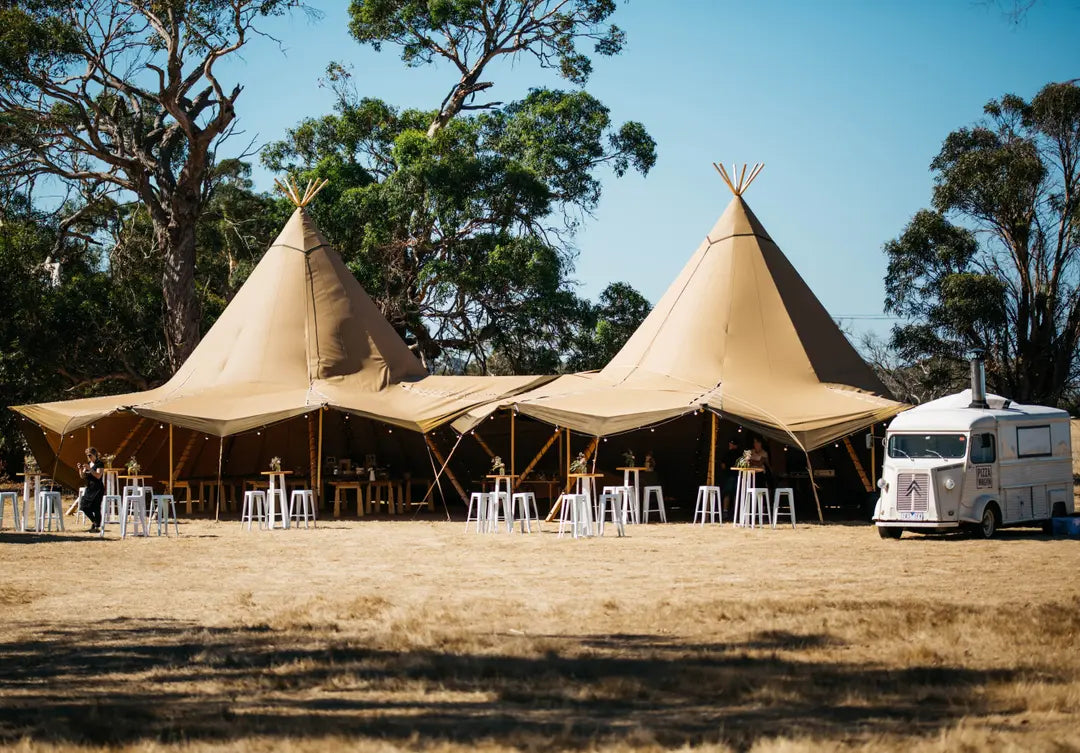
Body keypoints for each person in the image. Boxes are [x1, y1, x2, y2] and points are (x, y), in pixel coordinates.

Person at [77, 447, 105, 532]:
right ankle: (94, 522)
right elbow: (82, 476)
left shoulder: (99, 463)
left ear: (95, 454)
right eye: (87, 455)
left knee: (96, 507)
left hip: (97, 488)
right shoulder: (89, 463)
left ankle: (97, 527)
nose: (89, 457)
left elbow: (98, 475)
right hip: (89, 488)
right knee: (84, 506)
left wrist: (90, 469)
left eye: (90, 455)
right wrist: (80, 469)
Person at [720, 438, 742, 511]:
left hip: (729, 475)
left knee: (727, 494)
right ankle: (736, 512)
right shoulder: (740, 454)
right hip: (737, 475)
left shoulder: (727, 453)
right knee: (736, 494)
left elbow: (723, 465)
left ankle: (725, 511)